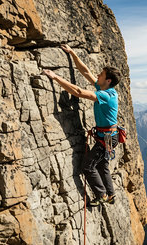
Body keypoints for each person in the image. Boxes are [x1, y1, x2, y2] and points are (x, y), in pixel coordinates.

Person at [43, 44, 122, 206]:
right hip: (109, 136)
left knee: (88, 167)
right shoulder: (105, 88)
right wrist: (72, 53)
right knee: (102, 164)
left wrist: (55, 78)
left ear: (108, 80)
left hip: (107, 137)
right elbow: (86, 72)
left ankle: (102, 195)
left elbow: (78, 92)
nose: (97, 75)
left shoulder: (106, 95)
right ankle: (111, 194)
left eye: (101, 74)